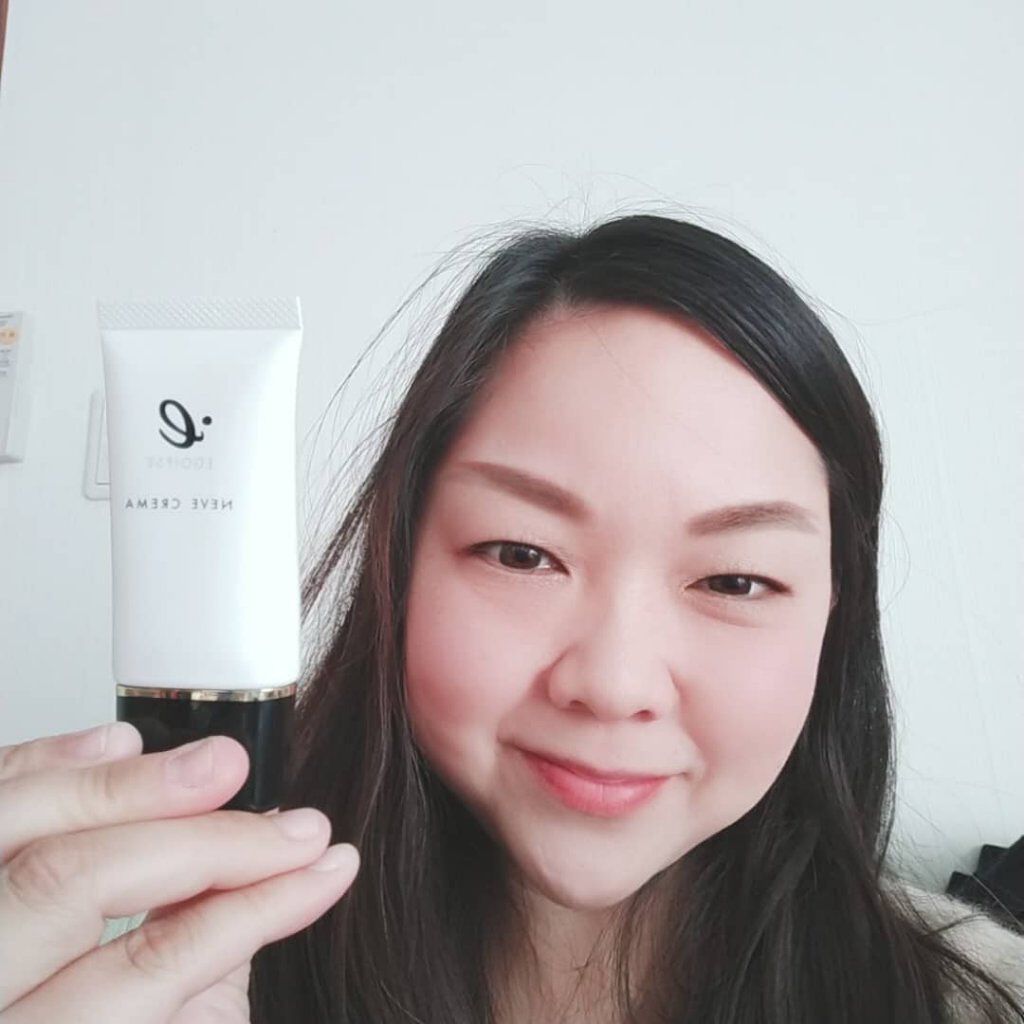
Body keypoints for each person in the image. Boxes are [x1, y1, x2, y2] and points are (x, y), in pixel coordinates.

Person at [1, 213, 1021, 1023]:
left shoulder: (978, 998)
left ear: (835, 618)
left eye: (735, 581)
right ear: (399, 566)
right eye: (523, 554)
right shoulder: (143, 969)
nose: (613, 683)